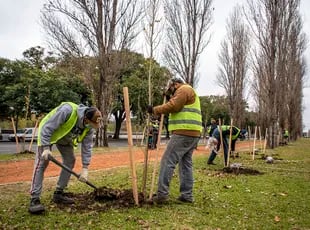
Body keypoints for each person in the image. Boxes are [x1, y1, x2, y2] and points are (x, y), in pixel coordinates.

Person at [28, 102, 102, 214]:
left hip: (65, 139)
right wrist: (46, 148)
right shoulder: (67, 110)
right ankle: (35, 199)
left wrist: (85, 168)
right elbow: (47, 128)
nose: (92, 127)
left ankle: (58, 193)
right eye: (91, 124)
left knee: (70, 160)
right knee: (42, 162)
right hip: (48, 134)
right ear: (86, 119)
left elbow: (87, 147)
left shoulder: (89, 128)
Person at [147, 77, 202, 204]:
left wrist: (154, 110)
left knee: (167, 160)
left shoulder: (183, 89)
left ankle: (162, 195)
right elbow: (175, 103)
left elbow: (174, 106)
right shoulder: (188, 91)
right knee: (185, 163)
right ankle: (187, 195)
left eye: (171, 89)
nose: (171, 92)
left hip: (184, 132)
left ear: (175, 84)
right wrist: (168, 98)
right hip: (193, 133)